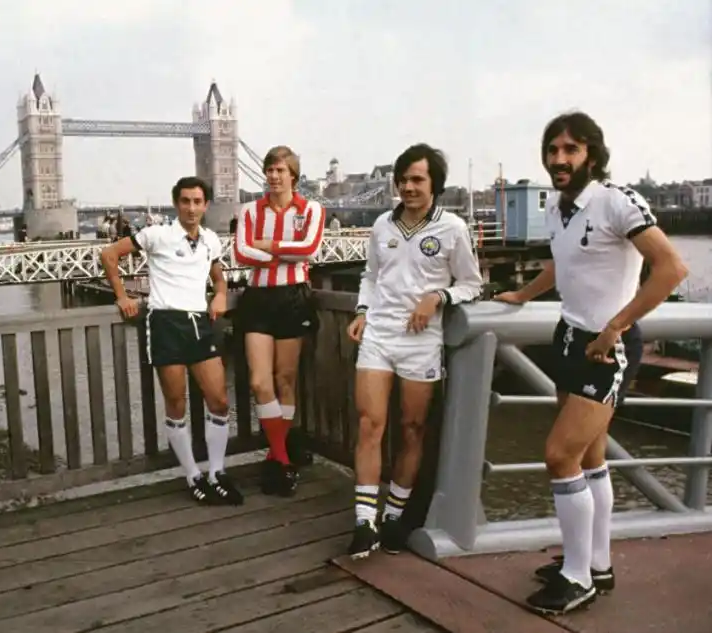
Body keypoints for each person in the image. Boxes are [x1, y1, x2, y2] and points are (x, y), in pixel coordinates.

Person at [495, 112, 687, 615]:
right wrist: (522, 292)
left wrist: (617, 325)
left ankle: (576, 578)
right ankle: (594, 563)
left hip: (607, 349)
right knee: (589, 458)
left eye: (570, 150)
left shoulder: (616, 201)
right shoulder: (561, 209)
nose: (559, 159)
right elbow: (562, 264)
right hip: (569, 338)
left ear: (592, 156)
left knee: (559, 455)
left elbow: (670, 268)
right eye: (552, 150)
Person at [345, 144, 483, 558]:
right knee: (370, 424)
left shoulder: (453, 229)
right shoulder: (381, 226)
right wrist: (362, 310)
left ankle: (395, 515)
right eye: (402, 180)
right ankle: (363, 522)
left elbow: (472, 285)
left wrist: (438, 297)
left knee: (412, 429)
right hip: (379, 337)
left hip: (422, 342)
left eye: (417, 180)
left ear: (434, 185)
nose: (408, 187)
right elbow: (370, 276)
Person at [100, 176, 243, 506]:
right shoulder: (157, 234)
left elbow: (218, 277)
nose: (191, 208)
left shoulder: (210, 240)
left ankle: (216, 472)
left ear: (206, 205)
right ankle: (193, 475)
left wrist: (220, 296)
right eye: (185, 201)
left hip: (200, 324)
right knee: (177, 404)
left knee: (219, 401)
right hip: (166, 323)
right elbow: (110, 255)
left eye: (197, 201)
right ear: (176, 204)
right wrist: (122, 296)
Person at [233, 145, 325, 497]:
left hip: (293, 299)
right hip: (258, 299)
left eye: (280, 170)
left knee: (285, 379)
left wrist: (267, 245)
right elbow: (241, 253)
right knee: (260, 382)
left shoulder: (311, 209)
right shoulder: (249, 209)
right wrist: (283, 252)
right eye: (269, 169)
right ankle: (284, 457)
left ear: (293, 176)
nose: (273, 175)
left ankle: (275, 456)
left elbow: (309, 249)